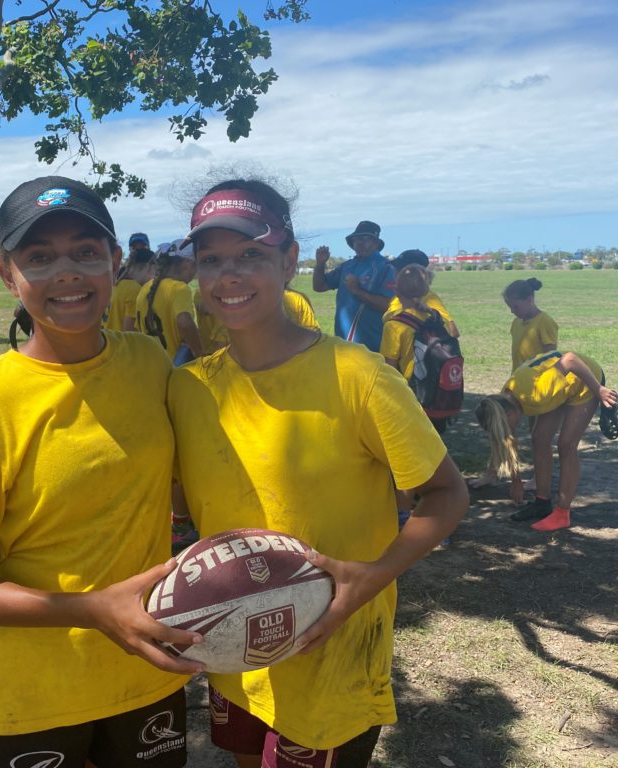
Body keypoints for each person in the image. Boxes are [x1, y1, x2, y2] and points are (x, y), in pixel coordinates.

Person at [169, 179, 468, 766]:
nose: (229, 275)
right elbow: (181, 503)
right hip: (234, 644)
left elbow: (446, 495)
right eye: (212, 261)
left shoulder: (358, 374)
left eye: (251, 255)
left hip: (332, 650)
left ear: (289, 261)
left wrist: (371, 577)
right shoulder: (188, 387)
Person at [0, 176, 200, 768]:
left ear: (115, 263)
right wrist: (90, 609)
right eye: (40, 257)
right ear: (7, 273)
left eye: (86, 251)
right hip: (28, 695)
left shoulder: (149, 365)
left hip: (145, 676)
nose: (67, 271)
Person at [475, 351, 618, 531]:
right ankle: (542, 503)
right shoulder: (505, 399)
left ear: (510, 414)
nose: (507, 431)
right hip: (561, 387)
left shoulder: (536, 393)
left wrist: (599, 390)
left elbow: (571, 359)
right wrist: (516, 481)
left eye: (505, 426)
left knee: (566, 445)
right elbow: (508, 441)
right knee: (540, 439)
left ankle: (562, 514)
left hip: (585, 379)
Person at [381, 264, 451, 435]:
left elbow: (389, 369)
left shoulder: (395, 325)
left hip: (412, 397)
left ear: (396, 291)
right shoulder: (435, 318)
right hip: (438, 394)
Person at [312, 220, 395, 352]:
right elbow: (319, 286)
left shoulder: (385, 268)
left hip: (371, 348)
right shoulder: (347, 266)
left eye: (365, 239)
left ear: (376, 243)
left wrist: (357, 291)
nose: (359, 243)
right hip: (343, 346)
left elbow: (388, 305)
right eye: (356, 239)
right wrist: (320, 264)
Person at [133, 240, 203, 364]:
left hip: (150, 368)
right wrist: (200, 355)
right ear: (188, 264)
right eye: (195, 267)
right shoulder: (179, 288)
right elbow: (185, 323)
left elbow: (138, 330)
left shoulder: (144, 289)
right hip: (173, 369)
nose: (194, 274)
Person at [383, 249, 459, 337]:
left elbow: (453, 332)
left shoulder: (429, 298)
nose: (395, 273)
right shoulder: (399, 296)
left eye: (400, 270)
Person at [504, 278, 558, 370]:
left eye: (516, 307)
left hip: (537, 379)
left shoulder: (544, 322)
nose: (512, 311)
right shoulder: (516, 323)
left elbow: (550, 357)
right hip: (519, 378)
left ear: (529, 300)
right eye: (510, 307)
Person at [106, 245, 155, 331]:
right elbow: (130, 334)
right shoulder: (135, 290)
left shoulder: (118, 285)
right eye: (156, 270)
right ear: (149, 267)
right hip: (121, 344)